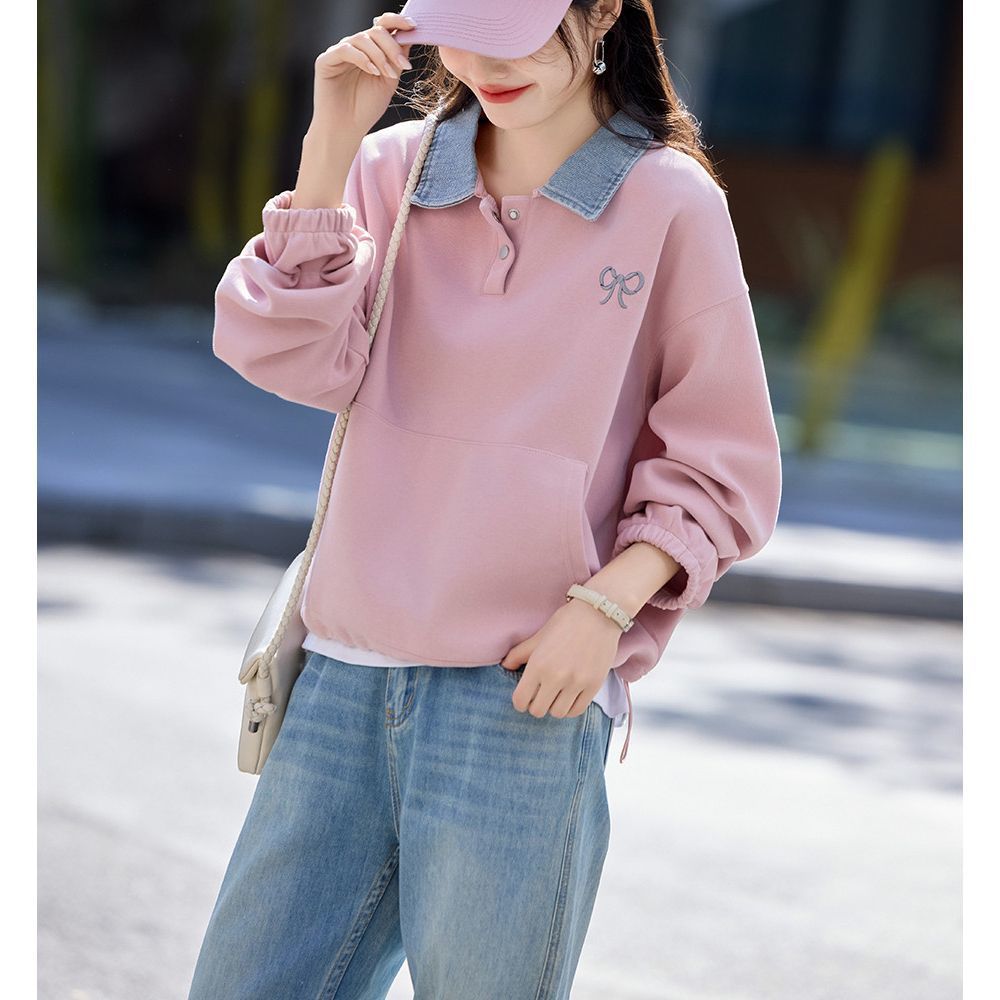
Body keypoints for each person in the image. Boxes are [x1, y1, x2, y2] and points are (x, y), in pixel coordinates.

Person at [187, 1, 782, 997]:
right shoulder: (393, 168)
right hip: (342, 676)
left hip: (522, 694)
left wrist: (603, 612)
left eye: (518, 26)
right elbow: (292, 359)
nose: (485, 60)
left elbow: (722, 460)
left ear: (602, 12)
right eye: (462, 26)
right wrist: (331, 144)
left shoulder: (670, 202)